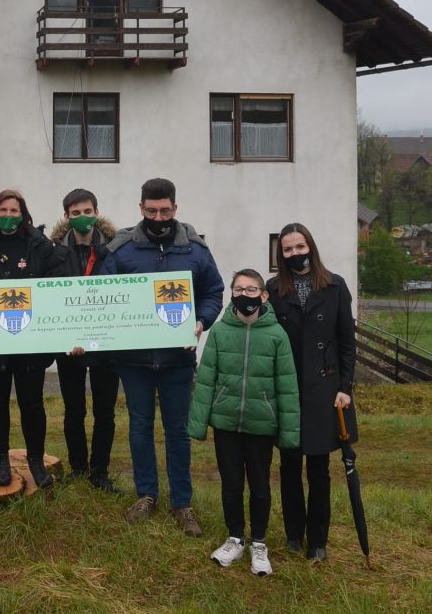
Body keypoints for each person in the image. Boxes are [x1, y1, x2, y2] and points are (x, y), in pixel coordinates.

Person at [100, 177, 224, 536]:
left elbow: (213, 291)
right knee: (139, 427)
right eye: (151, 210)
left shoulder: (196, 251)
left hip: (177, 359)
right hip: (134, 360)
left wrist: (201, 321)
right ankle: (146, 495)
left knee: (178, 431)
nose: (158, 216)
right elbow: (103, 297)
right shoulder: (121, 250)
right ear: (141, 209)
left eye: (165, 210)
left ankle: (182, 503)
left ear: (175, 208)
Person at [188, 268, 300, 576]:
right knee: (231, 484)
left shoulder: (277, 335)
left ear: (263, 296)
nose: (244, 295)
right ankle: (235, 537)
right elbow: (207, 379)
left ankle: (259, 543)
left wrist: (290, 432)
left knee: (260, 486)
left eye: (251, 290)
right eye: (239, 289)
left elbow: (287, 386)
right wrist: (198, 424)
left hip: (261, 424)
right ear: (232, 294)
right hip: (226, 423)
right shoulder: (221, 332)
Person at [266, 223, 357, 563]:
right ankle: (293, 535)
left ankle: (318, 541)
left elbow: (347, 343)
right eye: (287, 250)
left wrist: (345, 388)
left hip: (324, 391)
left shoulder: (334, 286)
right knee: (289, 466)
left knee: (319, 469)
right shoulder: (274, 290)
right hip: (288, 390)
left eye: (299, 246)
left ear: (311, 247)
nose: (294, 254)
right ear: (281, 255)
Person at [0, 189, 65, 489]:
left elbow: (56, 279)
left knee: (32, 402)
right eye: (3, 210)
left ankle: (35, 460)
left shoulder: (39, 245)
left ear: (24, 213)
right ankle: (2, 461)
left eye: (14, 210)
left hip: (31, 339)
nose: (9, 216)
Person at [50, 188, 120, 491]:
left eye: (87, 212)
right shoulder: (53, 251)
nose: (82, 218)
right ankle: (78, 468)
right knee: (74, 409)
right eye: (75, 213)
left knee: (105, 410)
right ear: (66, 216)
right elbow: (48, 295)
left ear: (96, 212)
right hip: (69, 345)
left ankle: (99, 473)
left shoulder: (115, 249)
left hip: (107, 343)